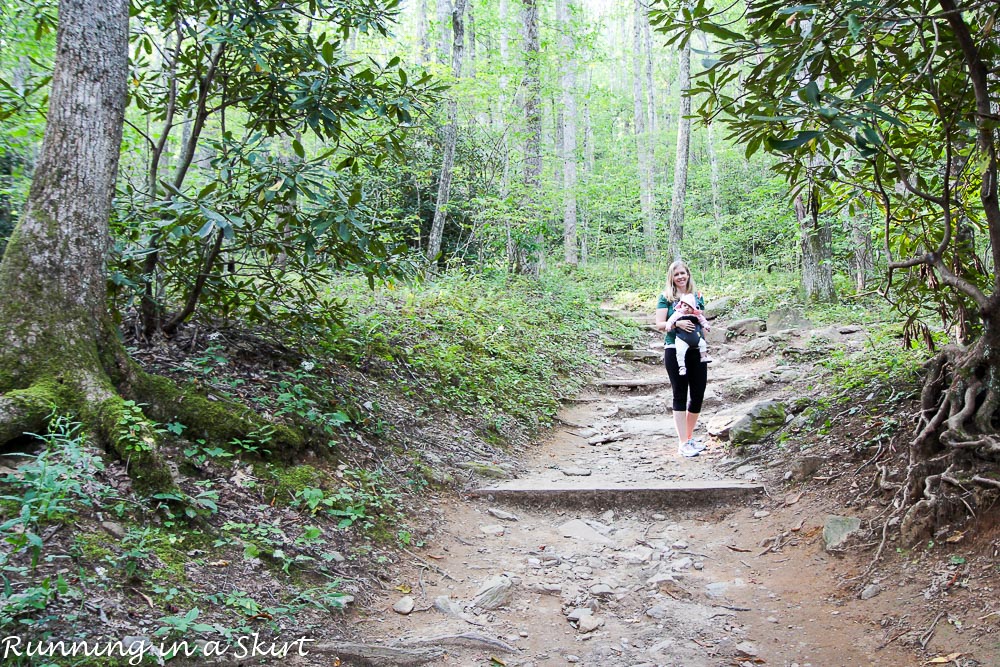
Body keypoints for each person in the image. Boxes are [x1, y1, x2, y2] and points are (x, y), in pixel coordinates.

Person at [655, 260, 709, 458]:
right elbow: (660, 323)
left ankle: (689, 438)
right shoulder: (666, 298)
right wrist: (677, 324)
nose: (680, 277)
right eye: (676, 274)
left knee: (698, 394)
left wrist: (704, 342)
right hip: (674, 349)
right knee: (680, 394)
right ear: (672, 277)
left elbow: (701, 321)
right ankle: (682, 442)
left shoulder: (697, 296)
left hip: (696, 349)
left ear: (688, 274)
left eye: (683, 273)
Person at [663, 293, 713, 375]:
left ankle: (703, 357)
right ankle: (682, 366)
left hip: (695, 337)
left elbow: (703, 321)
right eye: (685, 306)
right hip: (681, 338)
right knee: (680, 352)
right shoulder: (678, 314)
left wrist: (706, 325)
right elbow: (670, 321)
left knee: (702, 344)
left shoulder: (696, 315)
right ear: (681, 306)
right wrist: (670, 325)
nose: (686, 308)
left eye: (689, 306)